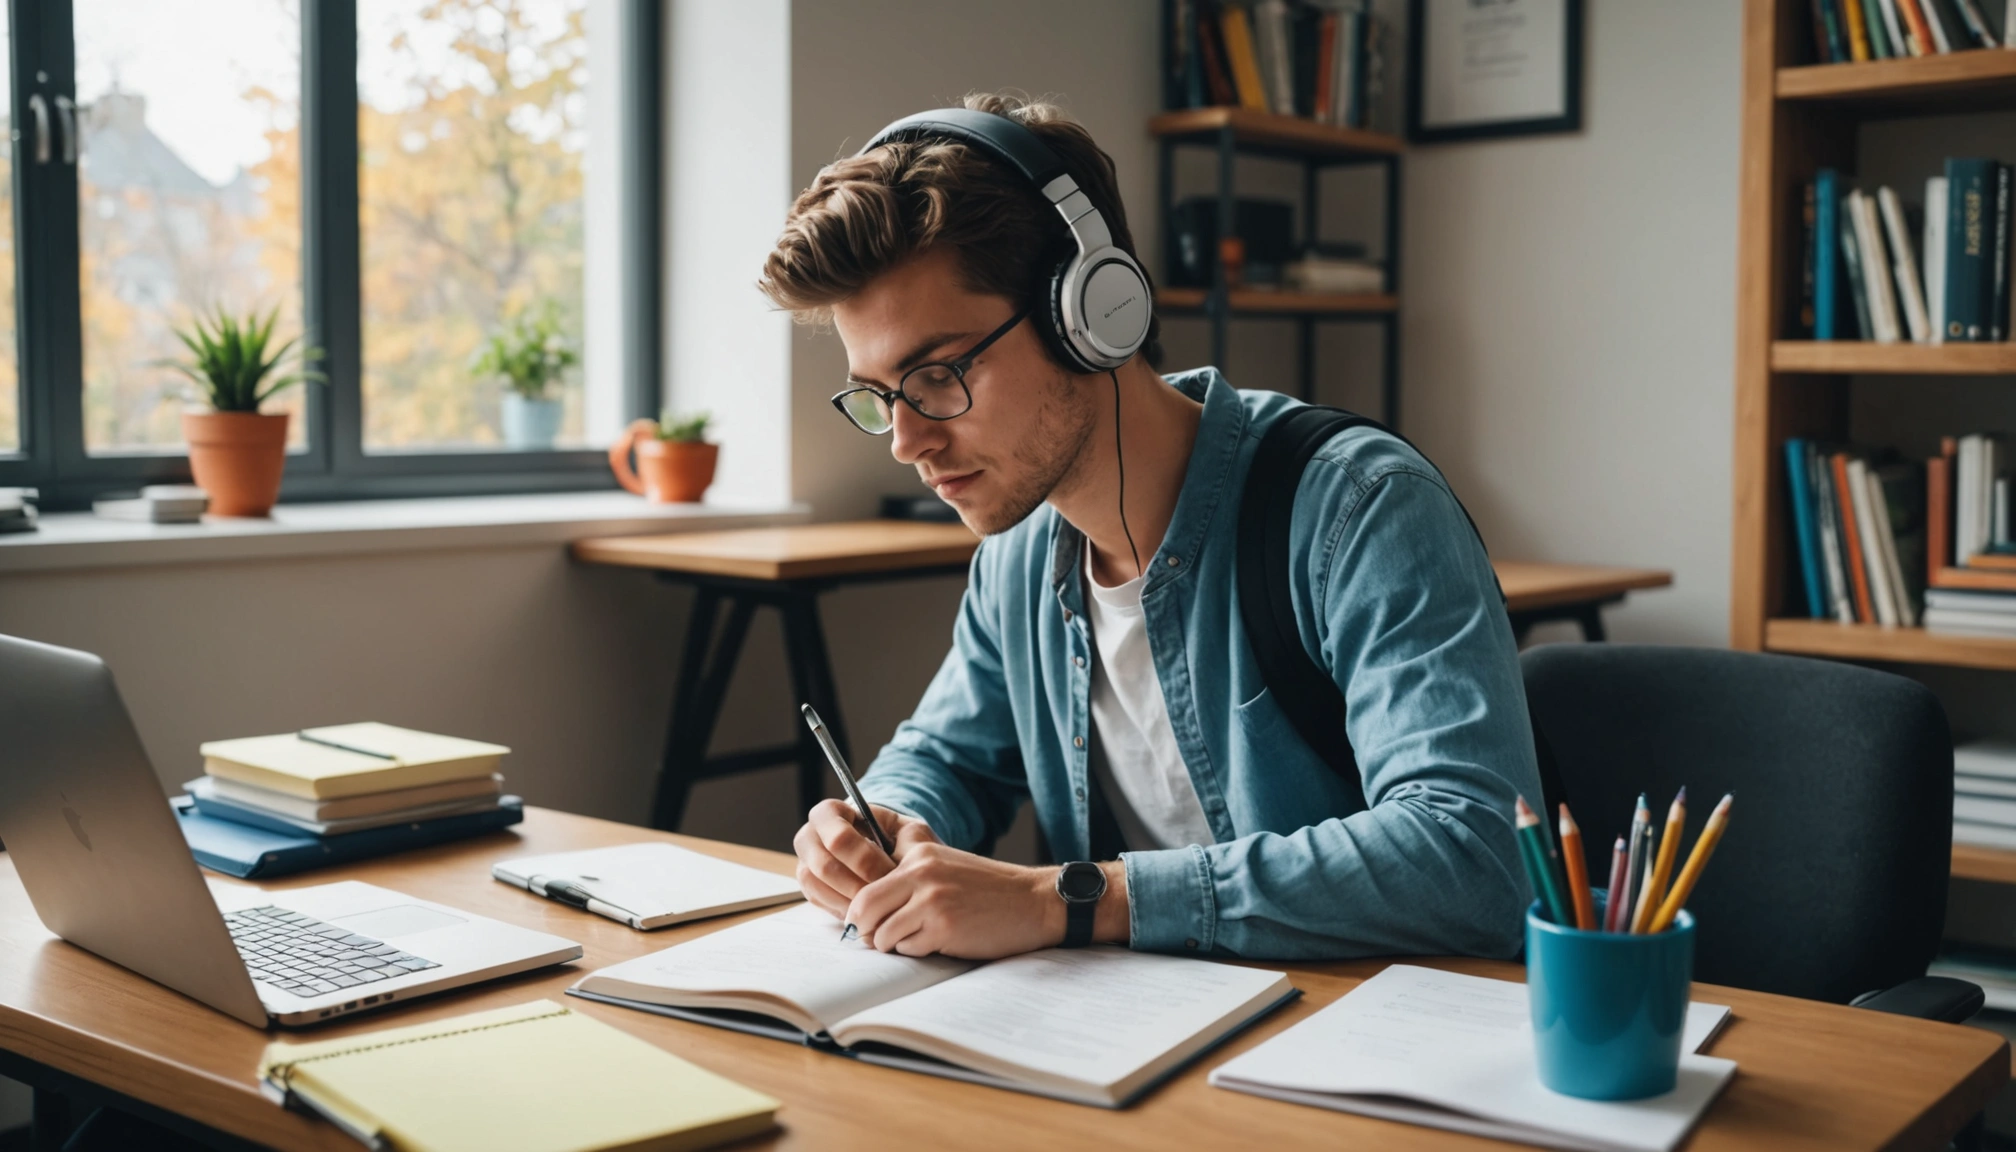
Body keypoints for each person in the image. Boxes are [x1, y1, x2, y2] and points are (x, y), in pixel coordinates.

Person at [758, 92, 1539, 963]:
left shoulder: (1359, 510)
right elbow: (948, 758)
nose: (907, 441)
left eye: (938, 374)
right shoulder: (1019, 557)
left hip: (1364, 1022)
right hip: (1143, 1026)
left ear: (1089, 315)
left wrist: (1067, 900)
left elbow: (1474, 854)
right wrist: (883, 821)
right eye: (878, 396)